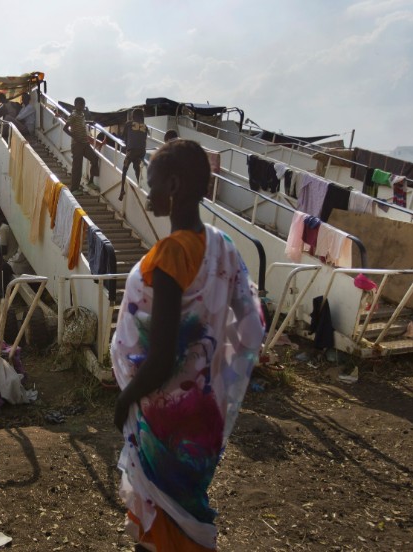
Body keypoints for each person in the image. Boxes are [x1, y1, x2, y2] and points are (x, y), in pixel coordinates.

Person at [111, 139, 266, 551]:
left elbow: (161, 358)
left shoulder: (171, 255)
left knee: (161, 526)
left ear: (174, 185)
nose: (148, 192)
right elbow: (252, 323)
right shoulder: (224, 247)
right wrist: (212, 362)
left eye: (152, 183)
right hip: (203, 415)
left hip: (166, 418)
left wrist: (124, 398)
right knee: (186, 515)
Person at [62, 97, 99, 193]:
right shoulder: (73, 115)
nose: (83, 106)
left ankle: (90, 181)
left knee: (94, 158)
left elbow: (81, 123)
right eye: (81, 104)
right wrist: (74, 136)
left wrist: (90, 122)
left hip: (85, 143)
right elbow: (65, 128)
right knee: (77, 166)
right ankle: (74, 189)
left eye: (83, 104)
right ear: (76, 105)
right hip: (77, 144)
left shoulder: (82, 115)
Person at [120, 108, 150, 200]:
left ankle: (122, 190)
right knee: (136, 167)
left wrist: (126, 146)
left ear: (134, 116)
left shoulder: (128, 124)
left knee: (124, 168)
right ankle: (139, 184)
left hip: (131, 151)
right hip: (141, 152)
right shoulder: (145, 126)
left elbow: (123, 136)